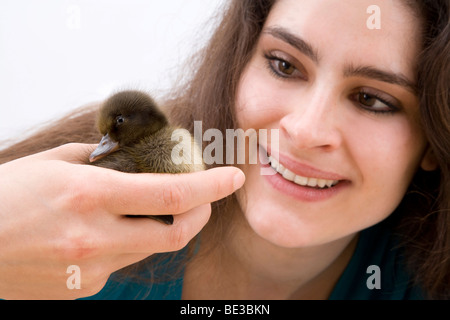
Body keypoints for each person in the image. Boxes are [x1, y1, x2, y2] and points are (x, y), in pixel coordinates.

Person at [0, 0, 448, 300]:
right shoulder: (61, 210)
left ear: (434, 137)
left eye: (372, 100)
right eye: (284, 65)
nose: (306, 130)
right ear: (238, 65)